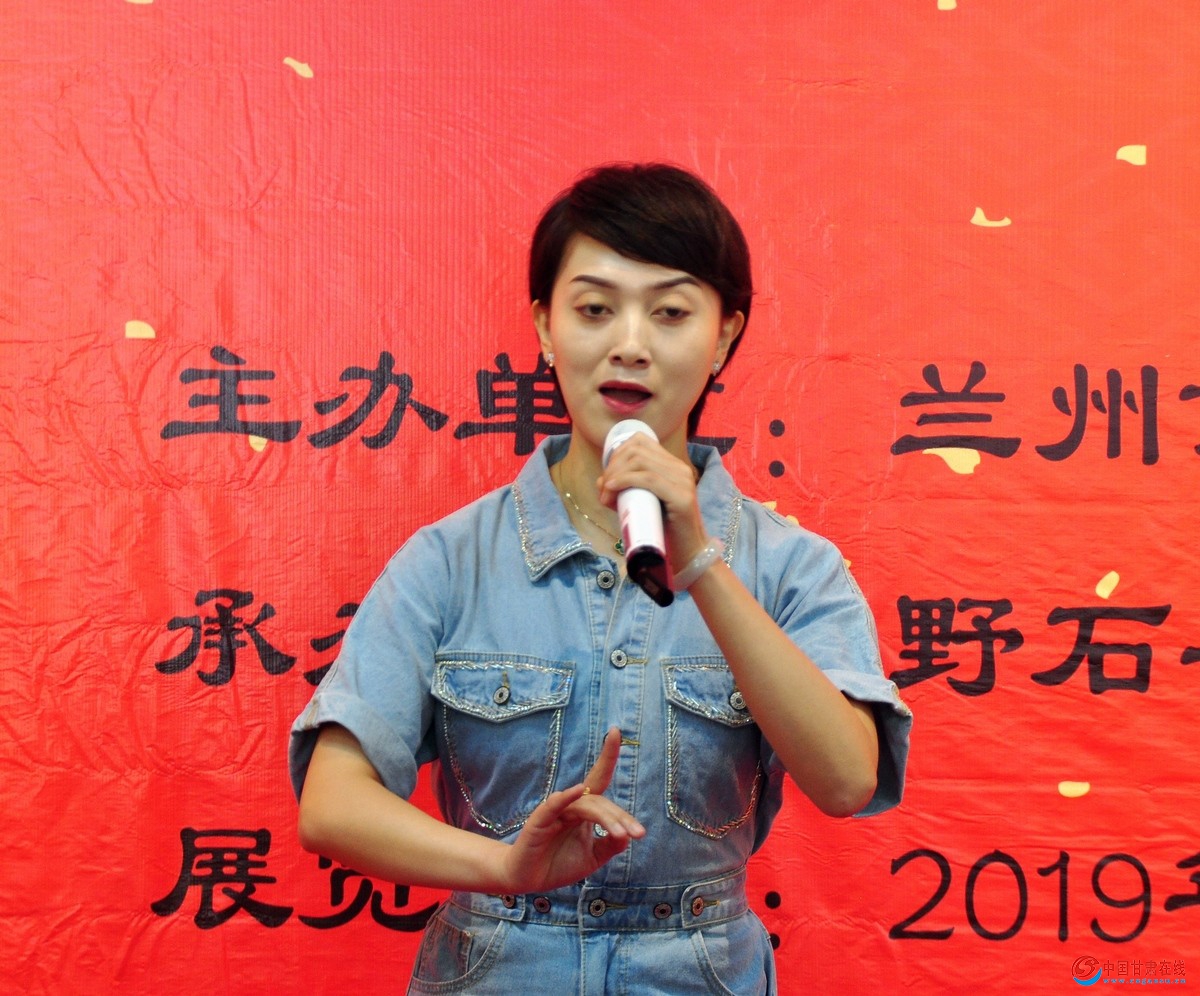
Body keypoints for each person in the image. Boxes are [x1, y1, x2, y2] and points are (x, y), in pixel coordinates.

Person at [289, 162, 912, 994]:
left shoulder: (793, 567)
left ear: (725, 336)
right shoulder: (449, 560)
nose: (630, 343)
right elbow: (332, 803)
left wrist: (700, 561)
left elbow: (847, 780)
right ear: (545, 327)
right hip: (498, 966)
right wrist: (504, 868)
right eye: (594, 309)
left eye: (671, 312)